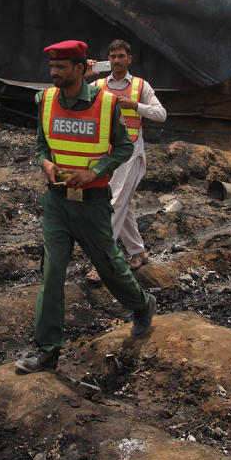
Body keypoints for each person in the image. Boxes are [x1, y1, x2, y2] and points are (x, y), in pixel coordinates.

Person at [16, 39, 157, 373]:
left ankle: (141, 305)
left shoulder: (107, 105)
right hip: (56, 203)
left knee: (109, 267)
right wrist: (45, 164)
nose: (53, 73)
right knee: (52, 272)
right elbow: (40, 145)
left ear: (80, 69)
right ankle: (47, 350)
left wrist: (94, 171)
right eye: (51, 67)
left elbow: (124, 149)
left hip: (92, 204)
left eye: (60, 68)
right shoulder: (45, 100)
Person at [86, 39, 167, 282]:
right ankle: (137, 251)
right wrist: (85, 76)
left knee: (115, 204)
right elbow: (75, 99)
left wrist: (136, 106)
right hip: (108, 154)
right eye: (112, 57)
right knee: (123, 205)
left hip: (131, 153)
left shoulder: (141, 86)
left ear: (129, 59)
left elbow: (161, 114)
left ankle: (102, 260)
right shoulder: (98, 84)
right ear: (107, 60)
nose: (117, 61)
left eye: (121, 56)